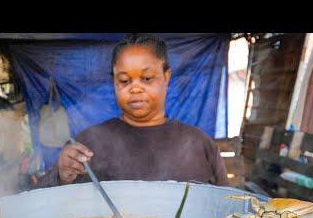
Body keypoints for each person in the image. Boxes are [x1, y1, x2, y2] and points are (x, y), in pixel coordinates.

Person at [37, 34, 228, 188]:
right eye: (124, 80)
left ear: (166, 76)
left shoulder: (199, 144)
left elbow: (226, 206)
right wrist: (62, 175)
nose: (135, 89)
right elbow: (46, 206)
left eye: (146, 78)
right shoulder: (88, 144)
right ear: (114, 81)